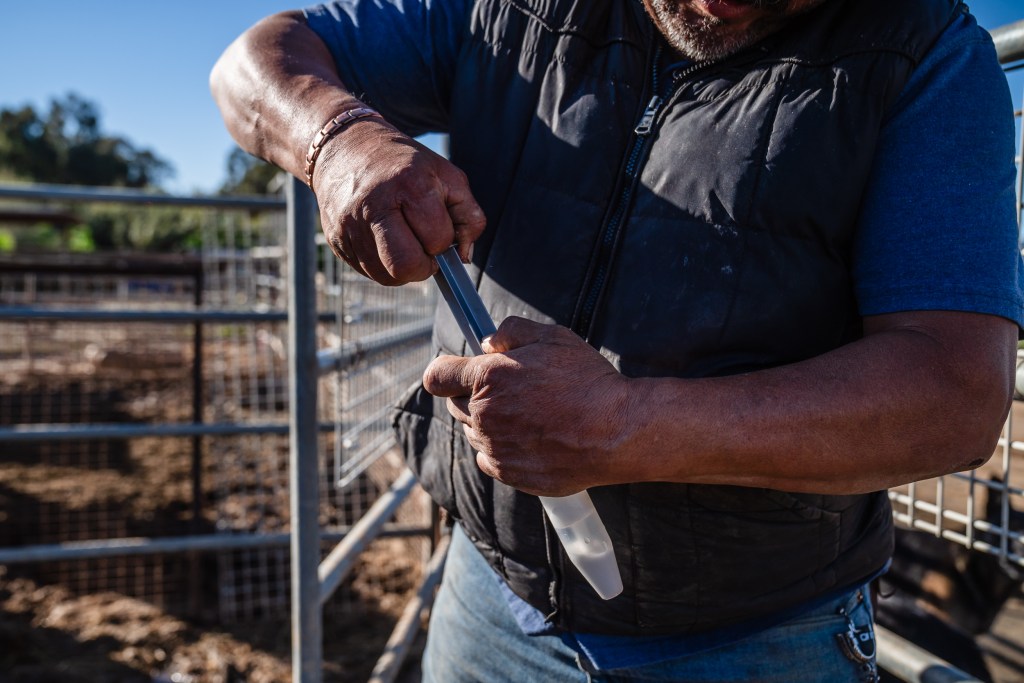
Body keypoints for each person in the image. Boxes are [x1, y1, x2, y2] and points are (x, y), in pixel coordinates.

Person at [211, 0, 1024, 680]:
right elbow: (251, 63)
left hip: (754, 640)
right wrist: (338, 136)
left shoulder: (926, 55)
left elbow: (954, 394)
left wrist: (625, 425)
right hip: (490, 597)